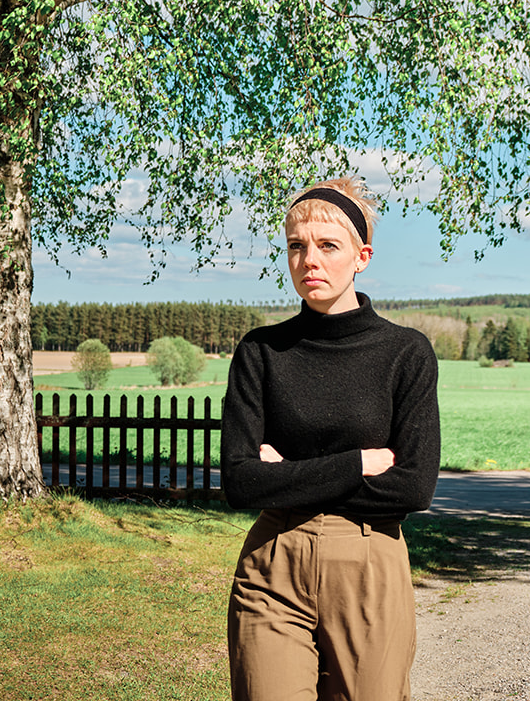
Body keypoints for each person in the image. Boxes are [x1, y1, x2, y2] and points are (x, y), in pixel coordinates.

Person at [223, 178, 440, 701]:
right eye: (296, 246)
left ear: (362, 256)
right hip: (273, 561)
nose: (308, 260)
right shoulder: (261, 352)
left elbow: (412, 488)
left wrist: (286, 472)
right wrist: (356, 463)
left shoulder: (405, 353)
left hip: (369, 564)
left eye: (327, 246)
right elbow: (241, 483)